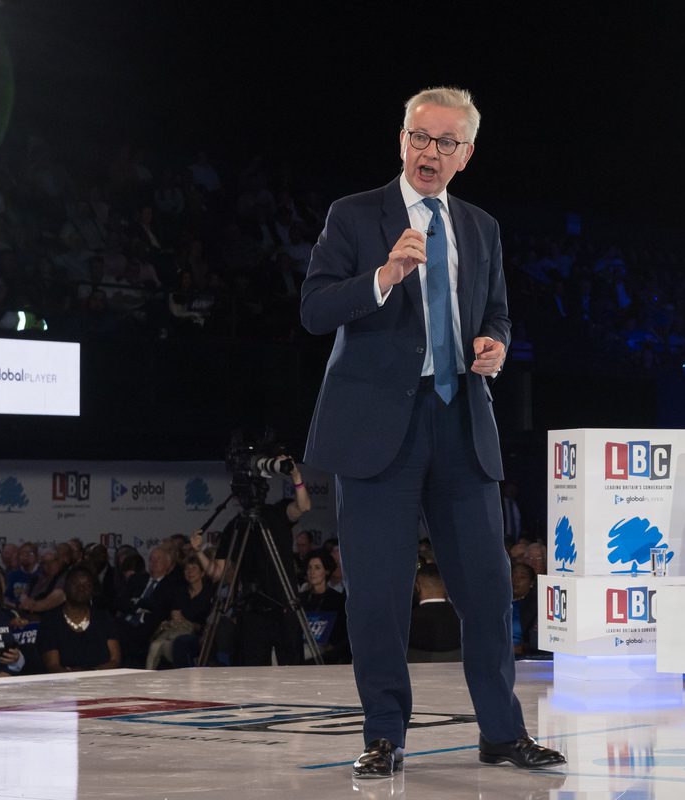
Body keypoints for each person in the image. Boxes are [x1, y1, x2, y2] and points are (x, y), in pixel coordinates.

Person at [300, 86, 563, 778]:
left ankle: (502, 734)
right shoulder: (354, 216)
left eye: (447, 142)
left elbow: (499, 314)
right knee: (380, 594)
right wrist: (383, 276)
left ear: (466, 155)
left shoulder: (481, 227)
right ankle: (384, 735)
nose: (430, 151)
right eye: (420, 136)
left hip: (460, 420)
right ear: (401, 140)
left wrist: (495, 346)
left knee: (486, 589)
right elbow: (314, 308)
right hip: (376, 428)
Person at [189, 453, 311, 666]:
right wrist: (198, 552)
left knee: (294, 671)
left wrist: (296, 476)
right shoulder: (235, 526)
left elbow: (303, 507)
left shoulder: (278, 512)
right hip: (253, 611)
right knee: (254, 673)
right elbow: (217, 572)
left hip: (285, 606)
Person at [36, 565, 120, 672]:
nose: (81, 588)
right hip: (64, 683)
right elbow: (53, 665)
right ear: (65, 587)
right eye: (76, 584)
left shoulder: (103, 618)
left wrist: (92, 673)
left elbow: (115, 660)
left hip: (101, 681)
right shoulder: (51, 621)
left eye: (87, 585)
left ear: (92, 590)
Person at [298, 549, 349, 664]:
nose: (312, 572)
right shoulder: (301, 598)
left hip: (327, 656)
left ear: (326, 571)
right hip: (302, 651)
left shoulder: (338, 600)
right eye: (309, 568)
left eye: (317, 568)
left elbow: (342, 635)